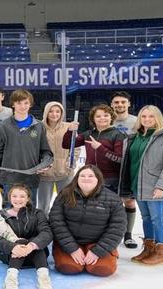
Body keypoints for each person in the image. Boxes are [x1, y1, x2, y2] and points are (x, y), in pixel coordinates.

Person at [62, 104, 131, 247]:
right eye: (98, 116)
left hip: (110, 179)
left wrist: (100, 148)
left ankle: (121, 236)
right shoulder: (89, 134)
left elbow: (120, 159)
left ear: (111, 117)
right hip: (91, 180)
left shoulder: (118, 134)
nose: (102, 118)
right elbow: (67, 144)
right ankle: (96, 237)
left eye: (106, 115)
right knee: (94, 211)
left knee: (109, 211)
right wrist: (70, 131)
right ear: (93, 119)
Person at [120, 105, 163, 266]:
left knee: (158, 218)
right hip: (138, 185)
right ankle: (149, 248)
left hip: (156, 186)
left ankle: (161, 252)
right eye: (144, 116)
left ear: (158, 118)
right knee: (146, 218)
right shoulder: (136, 136)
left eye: (151, 116)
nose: (147, 119)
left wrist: (161, 186)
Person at [49, 165, 126, 277]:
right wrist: (72, 248)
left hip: (98, 242)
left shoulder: (113, 199)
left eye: (91, 175)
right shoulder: (65, 195)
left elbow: (118, 228)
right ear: (77, 178)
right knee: (68, 267)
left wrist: (97, 251)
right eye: (82, 175)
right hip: (70, 242)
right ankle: (73, 255)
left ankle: (98, 255)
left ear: (98, 179)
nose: (86, 178)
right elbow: (56, 221)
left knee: (103, 269)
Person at [0, 89, 53, 208]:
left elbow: (46, 152)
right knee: (8, 212)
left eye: (26, 103)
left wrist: (45, 164)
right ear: (13, 104)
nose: (23, 106)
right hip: (9, 179)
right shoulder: (3, 126)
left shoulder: (39, 126)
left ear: (30, 104)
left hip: (31, 178)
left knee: (29, 213)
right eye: (19, 103)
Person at [0, 184, 53, 289]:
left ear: (28, 198)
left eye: (22, 196)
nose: (18, 199)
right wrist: (13, 247)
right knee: (20, 242)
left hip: (36, 257)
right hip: (11, 256)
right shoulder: (2, 215)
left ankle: (43, 278)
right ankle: (11, 278)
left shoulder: (37, 213)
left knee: (35, 241)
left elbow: (46, 233)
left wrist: (31, 245)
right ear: (9, 197)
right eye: (14, 196)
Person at [110, 91, 138, 248]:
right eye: (116, 102)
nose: (120, 105)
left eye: (123, 102)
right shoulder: (107, 121)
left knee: (129, 201)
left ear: (128, 104)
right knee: (111, 203)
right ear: (112, 105)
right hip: (110, 167)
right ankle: (113, 235)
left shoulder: (136, 122)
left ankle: (128, 235)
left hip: (129, 167)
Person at [38, 101, 77, 215]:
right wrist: (39, 165)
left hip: (65, 172)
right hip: (45, 175)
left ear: (61, 113)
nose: (54, 114)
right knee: (43, 206)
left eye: (57, 111)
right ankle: (43, 227)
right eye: (51, 111)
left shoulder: (69, 127)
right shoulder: (39, 127)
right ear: (46, 112)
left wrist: (71, 161)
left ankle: (64, 227)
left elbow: (76, 146)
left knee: (67, 204)